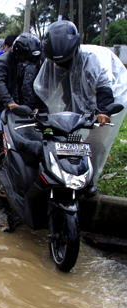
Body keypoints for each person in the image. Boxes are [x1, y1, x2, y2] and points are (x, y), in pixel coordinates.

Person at [34, 20, 127, 191]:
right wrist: (38, 109)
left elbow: (104, 87)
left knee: (96, 141)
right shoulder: (52, 62)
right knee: (71, 138)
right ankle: (69, 175)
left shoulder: (91, 60)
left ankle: (91, 179)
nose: (61, 65)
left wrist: (104, 111)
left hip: (111, 92)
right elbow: (43, 89)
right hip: (72, 99)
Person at [0, 33, 42, 155]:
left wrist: (19, 103)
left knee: (11, 136)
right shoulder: (2, 61)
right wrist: (9, 101)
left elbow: (17, 85)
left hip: (10, 105)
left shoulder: (18, 63)